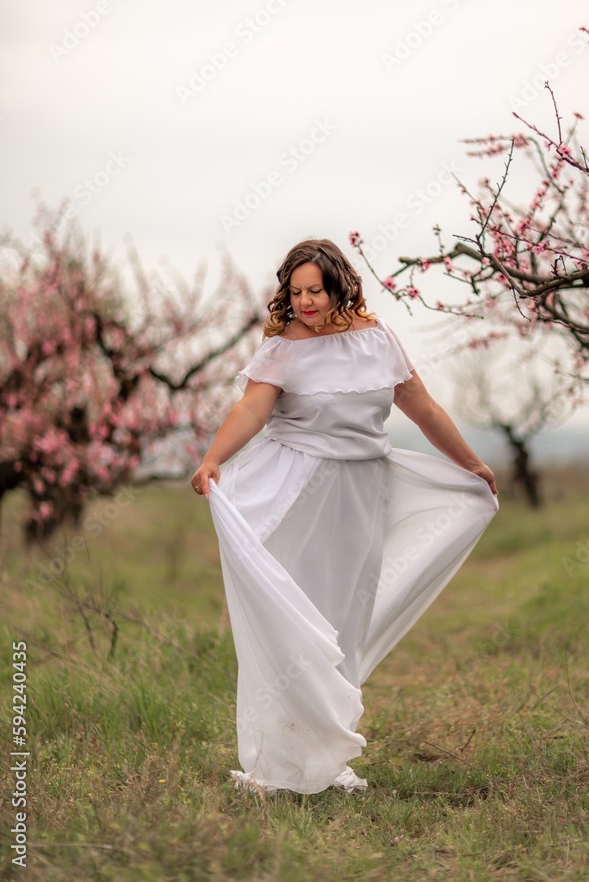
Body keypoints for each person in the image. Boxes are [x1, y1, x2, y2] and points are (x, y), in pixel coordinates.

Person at [191, 239, 498, 795]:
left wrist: (471, 463)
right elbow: (253, 408)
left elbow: (422, 407)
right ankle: (275, 760)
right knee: (298, 620)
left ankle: (327, 757)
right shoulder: (284, 349)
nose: (306, 302)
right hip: (297, 493)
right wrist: (214, 458)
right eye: (296, 291)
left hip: (362, 495)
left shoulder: (378, 340)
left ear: (341, 286)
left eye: (316, 290)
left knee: (342, 626)